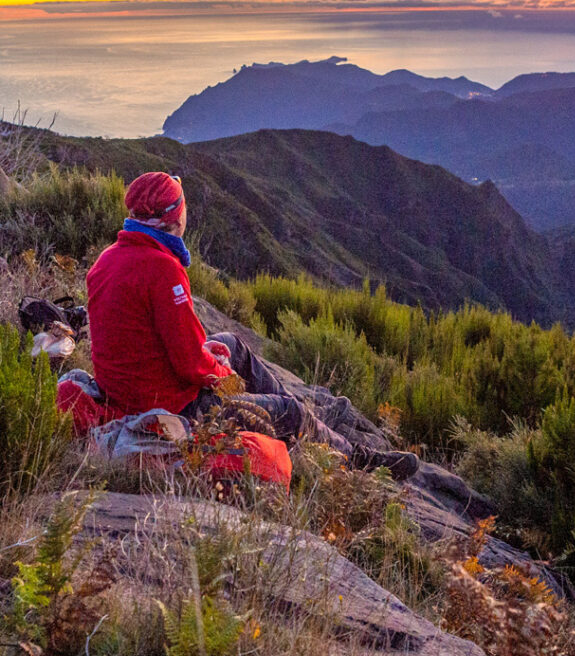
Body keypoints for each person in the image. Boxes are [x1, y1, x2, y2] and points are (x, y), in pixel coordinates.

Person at [86, 171, 418, 480]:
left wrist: (209, 356)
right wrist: (222, 374)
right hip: (172, 408)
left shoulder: (108, 259)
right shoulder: (162, 269)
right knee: (290, 411)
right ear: (176, 217)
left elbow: (147, 342)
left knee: (231, 342)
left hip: (135, 391)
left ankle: (304, 422)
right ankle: (356, 460)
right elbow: (189, 365)